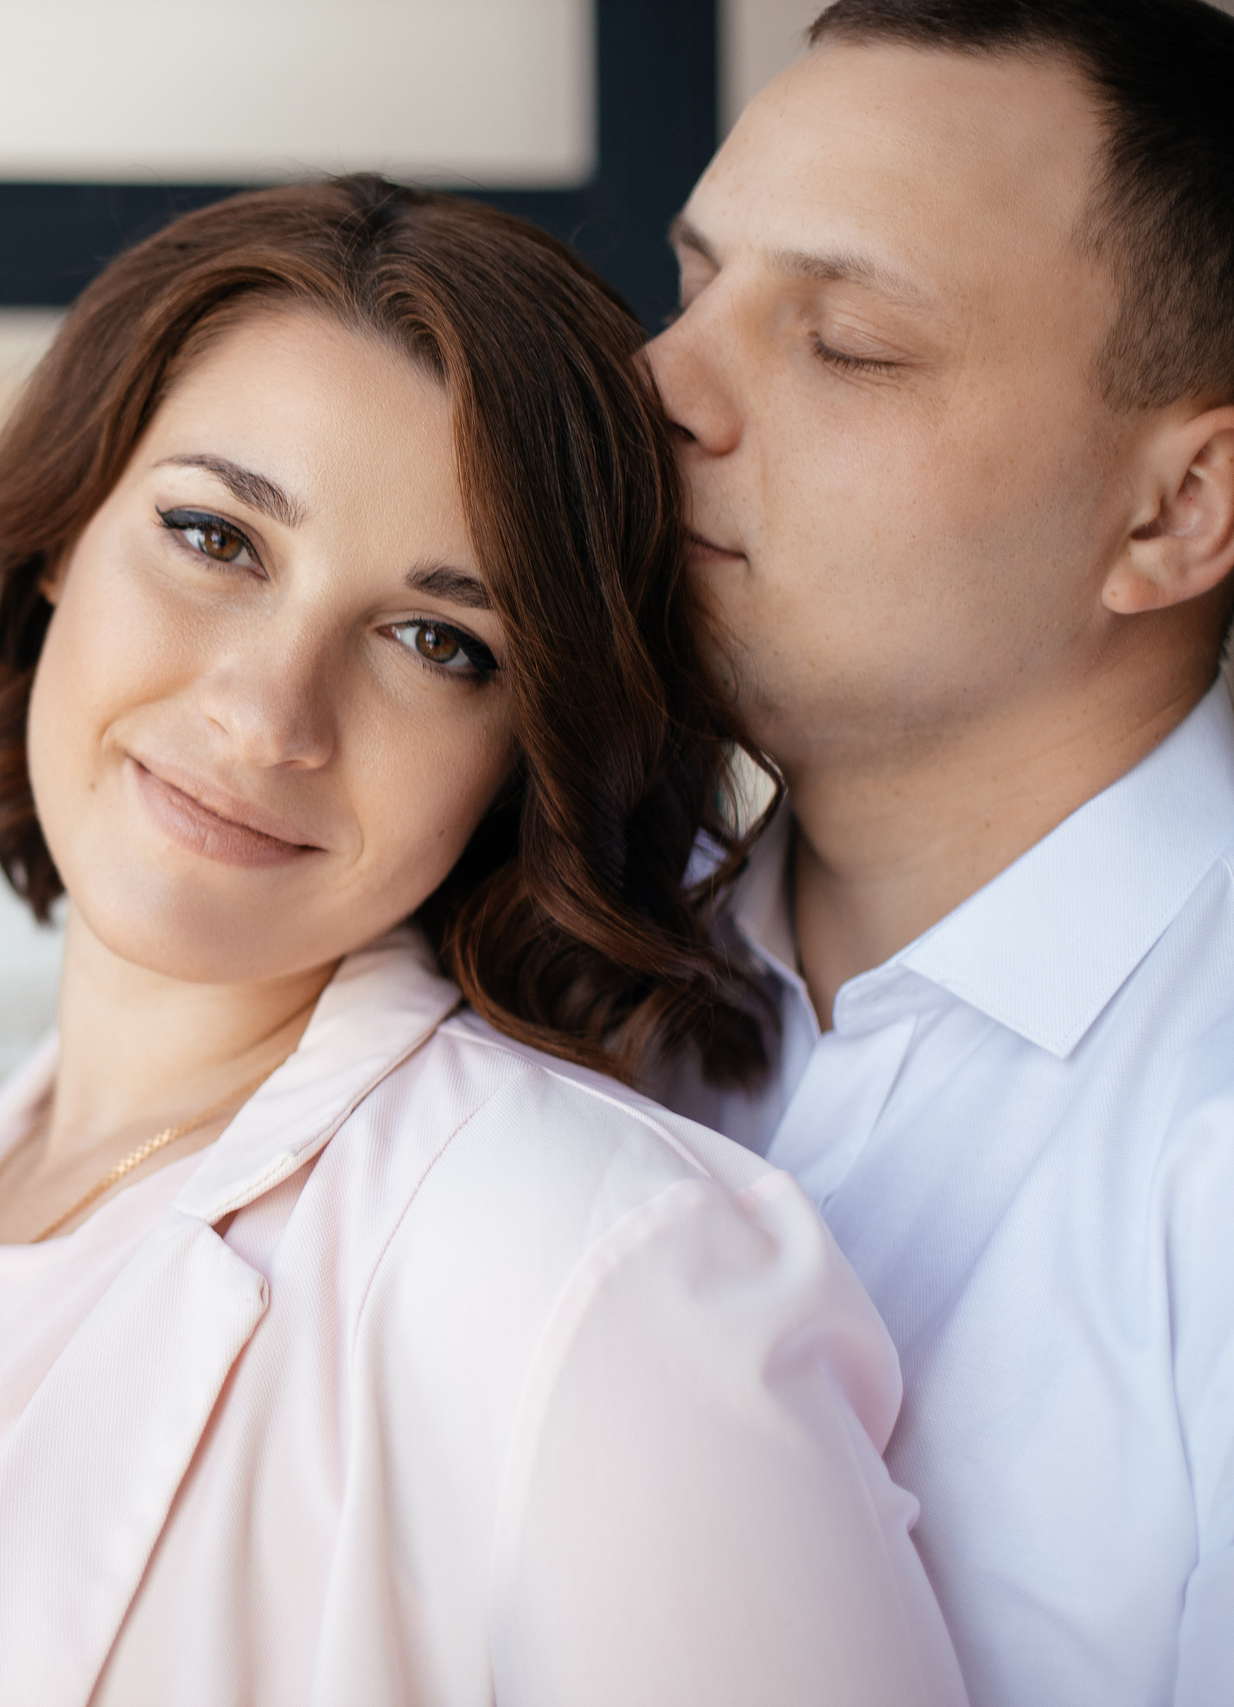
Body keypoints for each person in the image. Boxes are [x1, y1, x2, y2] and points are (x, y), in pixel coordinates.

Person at [0, 177, 964, 1705]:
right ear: (67, 533)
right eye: (215, 537)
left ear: (527, 750)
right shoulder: (6, 1169)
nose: (266, 715)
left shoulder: (591, 1263)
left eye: (440, 643)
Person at [645, 4, 1234, 1703]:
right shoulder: (566, 976)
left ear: (1175, 511)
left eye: (844, 341)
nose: (659, 387)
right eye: (693, 288)